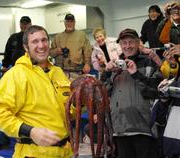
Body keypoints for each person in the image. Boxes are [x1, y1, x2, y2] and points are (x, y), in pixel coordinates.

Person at [0, 25, 74, 158]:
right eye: (35, 41)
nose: (41, 45)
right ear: (26, 47)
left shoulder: (58, 72)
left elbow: (69, 111)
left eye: (44, 40)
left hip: (65, 151)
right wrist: (30, 131)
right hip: (33, 152)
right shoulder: (16, 75)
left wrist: (82, 102)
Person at [101, 28, 163, 158]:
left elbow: (157, 91)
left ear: (138, 43)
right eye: (124, 43)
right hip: (119, 130)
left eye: (131, 42)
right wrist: (106, 72)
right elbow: (102, 94)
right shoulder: (114, 66)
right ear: (120, 45)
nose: (127, 46)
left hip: (144, 130)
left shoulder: (148, 62)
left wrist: (136, 74)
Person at [50, 13, 92, 80]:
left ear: (74, 23)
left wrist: (87, 64)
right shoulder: (57, 37)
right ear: (64, 23)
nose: (69, 24)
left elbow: (87, 51)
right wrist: (56, 51)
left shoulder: (81, 35)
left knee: (76, 90)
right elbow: (50, 53)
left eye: (71, 21)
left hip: (77, 72)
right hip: (61, 72)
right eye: (67, 21)